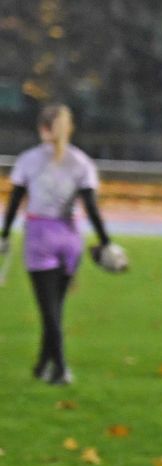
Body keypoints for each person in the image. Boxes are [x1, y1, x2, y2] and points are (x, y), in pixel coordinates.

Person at [1, 104, 115, 386]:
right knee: (55, 307)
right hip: (70, 236)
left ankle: (61, 368)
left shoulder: (29, 160)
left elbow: (15, 200)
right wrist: (106, 242)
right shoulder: (82, 162)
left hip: (40, 235)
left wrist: (3, 235)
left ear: (42, 129)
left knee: (49, 310)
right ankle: (42, 366)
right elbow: (91, 206)